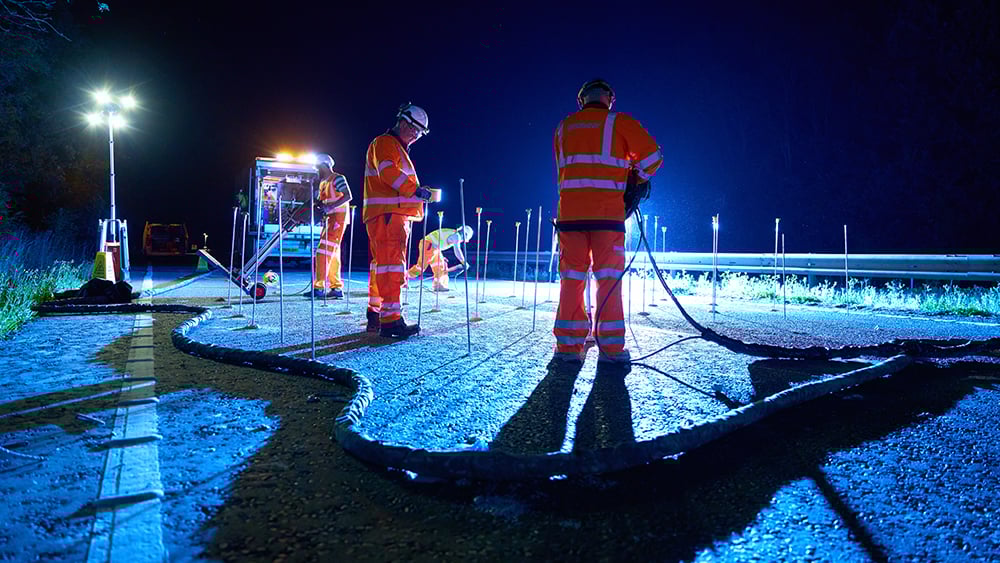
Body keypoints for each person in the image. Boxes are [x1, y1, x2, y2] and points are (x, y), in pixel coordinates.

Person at [551, 79, 663, 364]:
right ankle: (611, 350)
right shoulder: (620, 123)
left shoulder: (563, 128)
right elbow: (653, 159)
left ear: (581, 101)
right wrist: (635, 179)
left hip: (570, 218)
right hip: (607, 218)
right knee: (608, 281)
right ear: (610, 100)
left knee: (572, 280)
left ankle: (568, 348)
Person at [363, 103, 435, 338]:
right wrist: (416, 191)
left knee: (381, 266)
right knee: (392, 266)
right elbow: (388, 173)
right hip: (389, 214)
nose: (416, 136)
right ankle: (391, 321)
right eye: (414, 130)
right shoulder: (386, 143)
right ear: (403, 123)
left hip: (388, 214)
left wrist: (415, 192)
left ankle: (376, 314)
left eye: (420, 133)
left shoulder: (393, 146)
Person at [309, 153, 352, 298]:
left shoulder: (338, 178)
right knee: (332, 254)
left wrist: (330, 206)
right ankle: (336, 288)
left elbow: (348, 196)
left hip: (338, 219)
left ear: (324, 165)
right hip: (329, 219)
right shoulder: (323, 182)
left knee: (322, 252)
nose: (317, 169)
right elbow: (323, 202)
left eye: (318, 166)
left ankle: (319, 287)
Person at [407, 225, 472, 292]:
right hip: (428, 245)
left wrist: (439, 255)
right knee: (421, 267)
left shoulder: (453, 233)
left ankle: (438, 285)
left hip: (434, 247)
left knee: (440, 265)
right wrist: (463, 262)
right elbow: (457, 251)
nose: (463, 241)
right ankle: (403, 279)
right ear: (465, 234)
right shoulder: (456, 236)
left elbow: (439, 242)